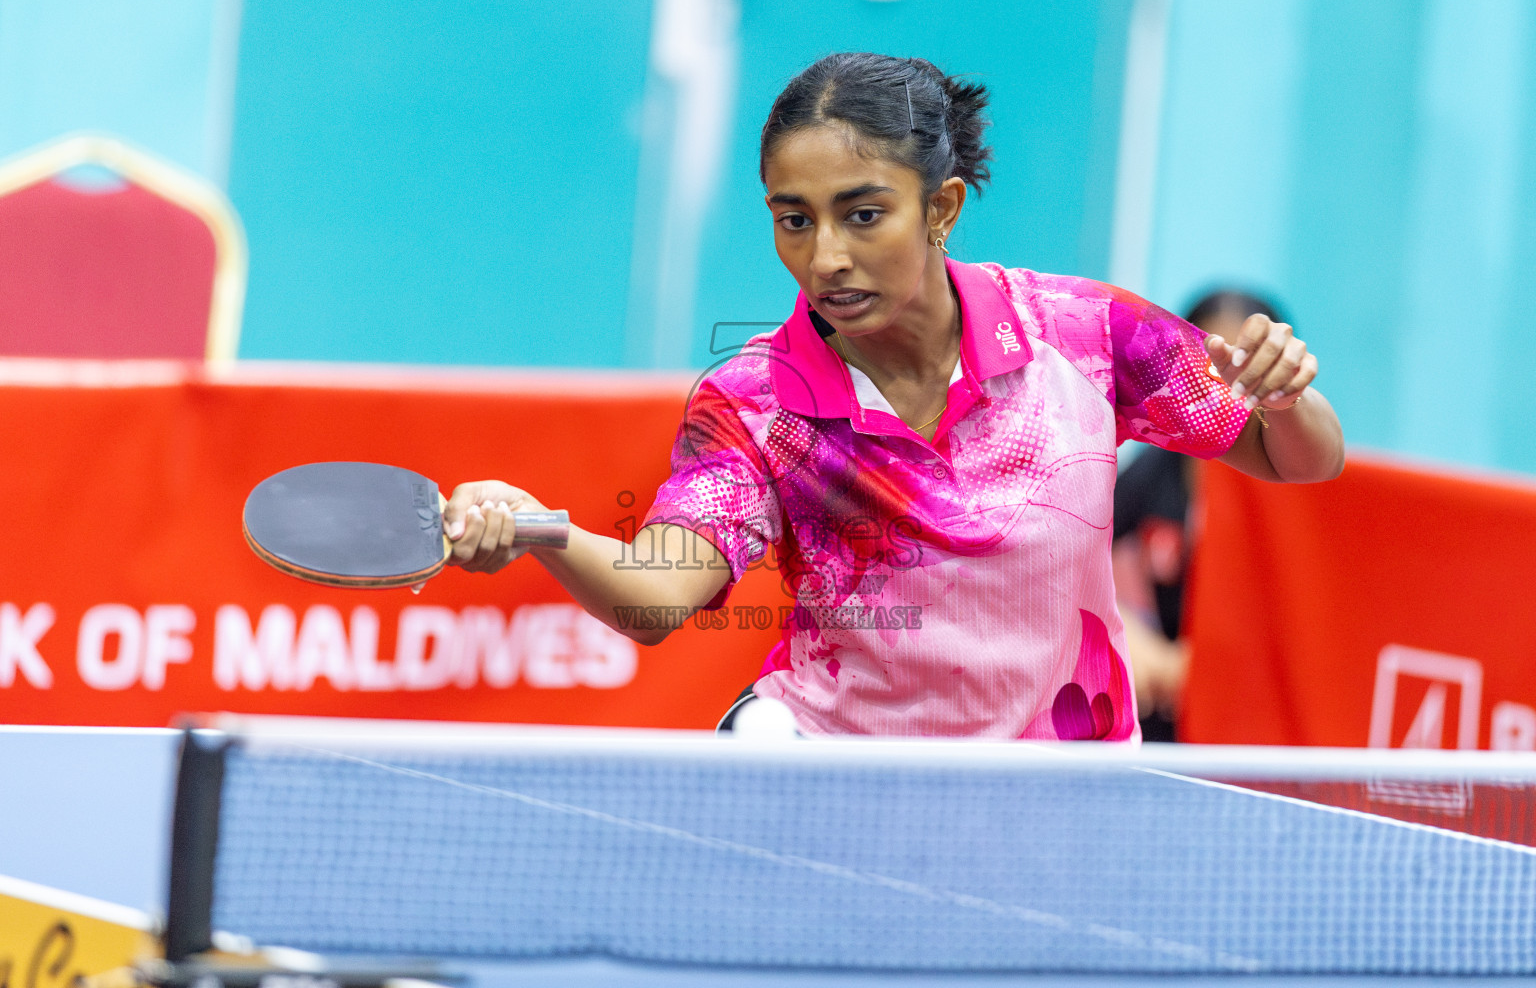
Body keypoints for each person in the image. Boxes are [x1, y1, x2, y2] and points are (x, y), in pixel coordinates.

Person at [441, 53, 1345, 739]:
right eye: (794, 219)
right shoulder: (758, 404)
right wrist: (541, 527)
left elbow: (1300, 460)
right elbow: (659, 595)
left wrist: (1284, 398)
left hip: (1063, 791)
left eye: (862, 214)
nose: (826, 256)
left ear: (942, 208)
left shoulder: (1083, 334)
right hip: (835, 779)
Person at [1113, 290, 1282, 742]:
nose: (1225, 384)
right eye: (1210, 364)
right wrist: (1130, 634)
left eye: (1243, 367)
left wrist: (1206, 666)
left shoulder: (1289, 497)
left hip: (1247, 725)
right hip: (1159, 721)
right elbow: (1078, 558)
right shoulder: (1152, 473)